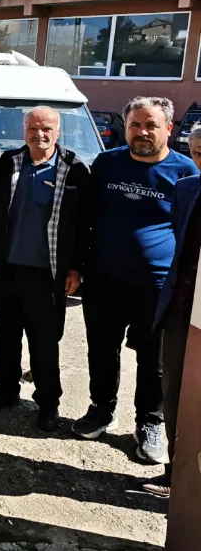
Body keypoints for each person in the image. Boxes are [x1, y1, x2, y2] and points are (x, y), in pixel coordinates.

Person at [75, 97, 198, 463]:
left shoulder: (184, 171)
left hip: (158, 287)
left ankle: (149, 422)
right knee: (101, 348)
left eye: (151, 126)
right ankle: (101, 408)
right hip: (103, 279)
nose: (142, 132)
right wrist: (76, 266)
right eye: (135, 125)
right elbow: (86, 217)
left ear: (168, 129)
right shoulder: (107, 164)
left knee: (153, 359)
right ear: (126, 127)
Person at [0, 107, 90, 432]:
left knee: (44, 343)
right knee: (6, 336)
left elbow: (84, 226)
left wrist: (76, 269)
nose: (39, 135)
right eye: (33, 128)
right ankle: (5, 391)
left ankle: (48, 405)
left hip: (48, 275)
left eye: (46, 129)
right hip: (8, 269)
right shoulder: (9, 163)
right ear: (24, 130)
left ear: (58, 132)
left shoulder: (75, 170)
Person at [140, 166, 201, 497]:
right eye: (197, 153)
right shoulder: (187, 188)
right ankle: (175, 474)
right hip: (182, 307)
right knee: (175, 390)